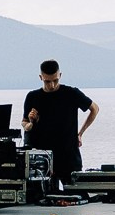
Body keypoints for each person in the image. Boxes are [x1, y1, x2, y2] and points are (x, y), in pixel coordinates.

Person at [22, 61, 97, 190]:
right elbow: (25, 124)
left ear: (60, 75)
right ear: (41, 78)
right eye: (47, 81)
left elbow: (94, 109)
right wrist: (31, 122)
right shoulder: (33, 96)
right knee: (41, 199)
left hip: (68, 155)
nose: (51, 85)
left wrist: (80, 133)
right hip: (42, 157)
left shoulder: (71, 93)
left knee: (74, 197)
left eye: (55, 80)